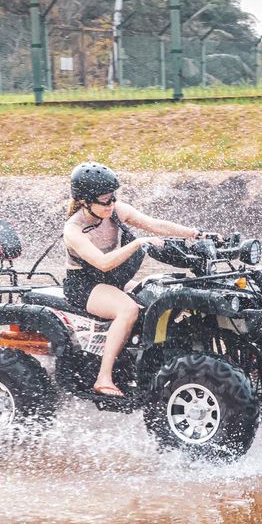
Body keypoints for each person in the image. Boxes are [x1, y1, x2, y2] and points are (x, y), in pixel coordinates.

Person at [63, 162, 206, 397]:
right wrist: (138, 243)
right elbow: (103, 263)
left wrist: (194, 233)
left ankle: (149, 363)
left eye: (112, 197)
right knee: (128, 309)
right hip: (84, 285)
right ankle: (104, 377)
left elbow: (155, 225)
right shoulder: (74, 229)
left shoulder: (115, 211)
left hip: (110, 280)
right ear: (84, 200)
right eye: (104, 200)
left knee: (158, 295)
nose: (111, 204)